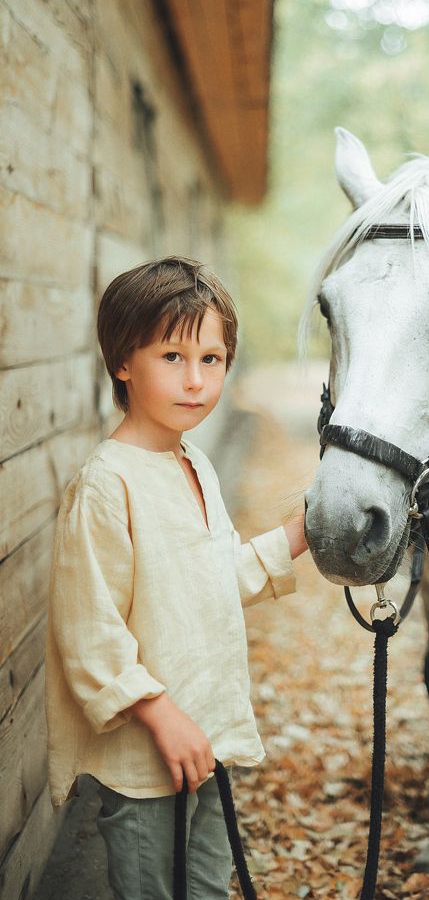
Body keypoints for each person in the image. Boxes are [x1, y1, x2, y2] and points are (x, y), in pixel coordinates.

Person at [44, 255, 308, 899]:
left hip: (211, 737)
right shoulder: (107, 485)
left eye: (211, 360)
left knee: (208, 890)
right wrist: (161, 714)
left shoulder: (192, 463)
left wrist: (304, 533)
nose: (195, 382)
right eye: (171, 357)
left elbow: (206, 585)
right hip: (148, 759)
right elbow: (89, 631)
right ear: (122, 362)